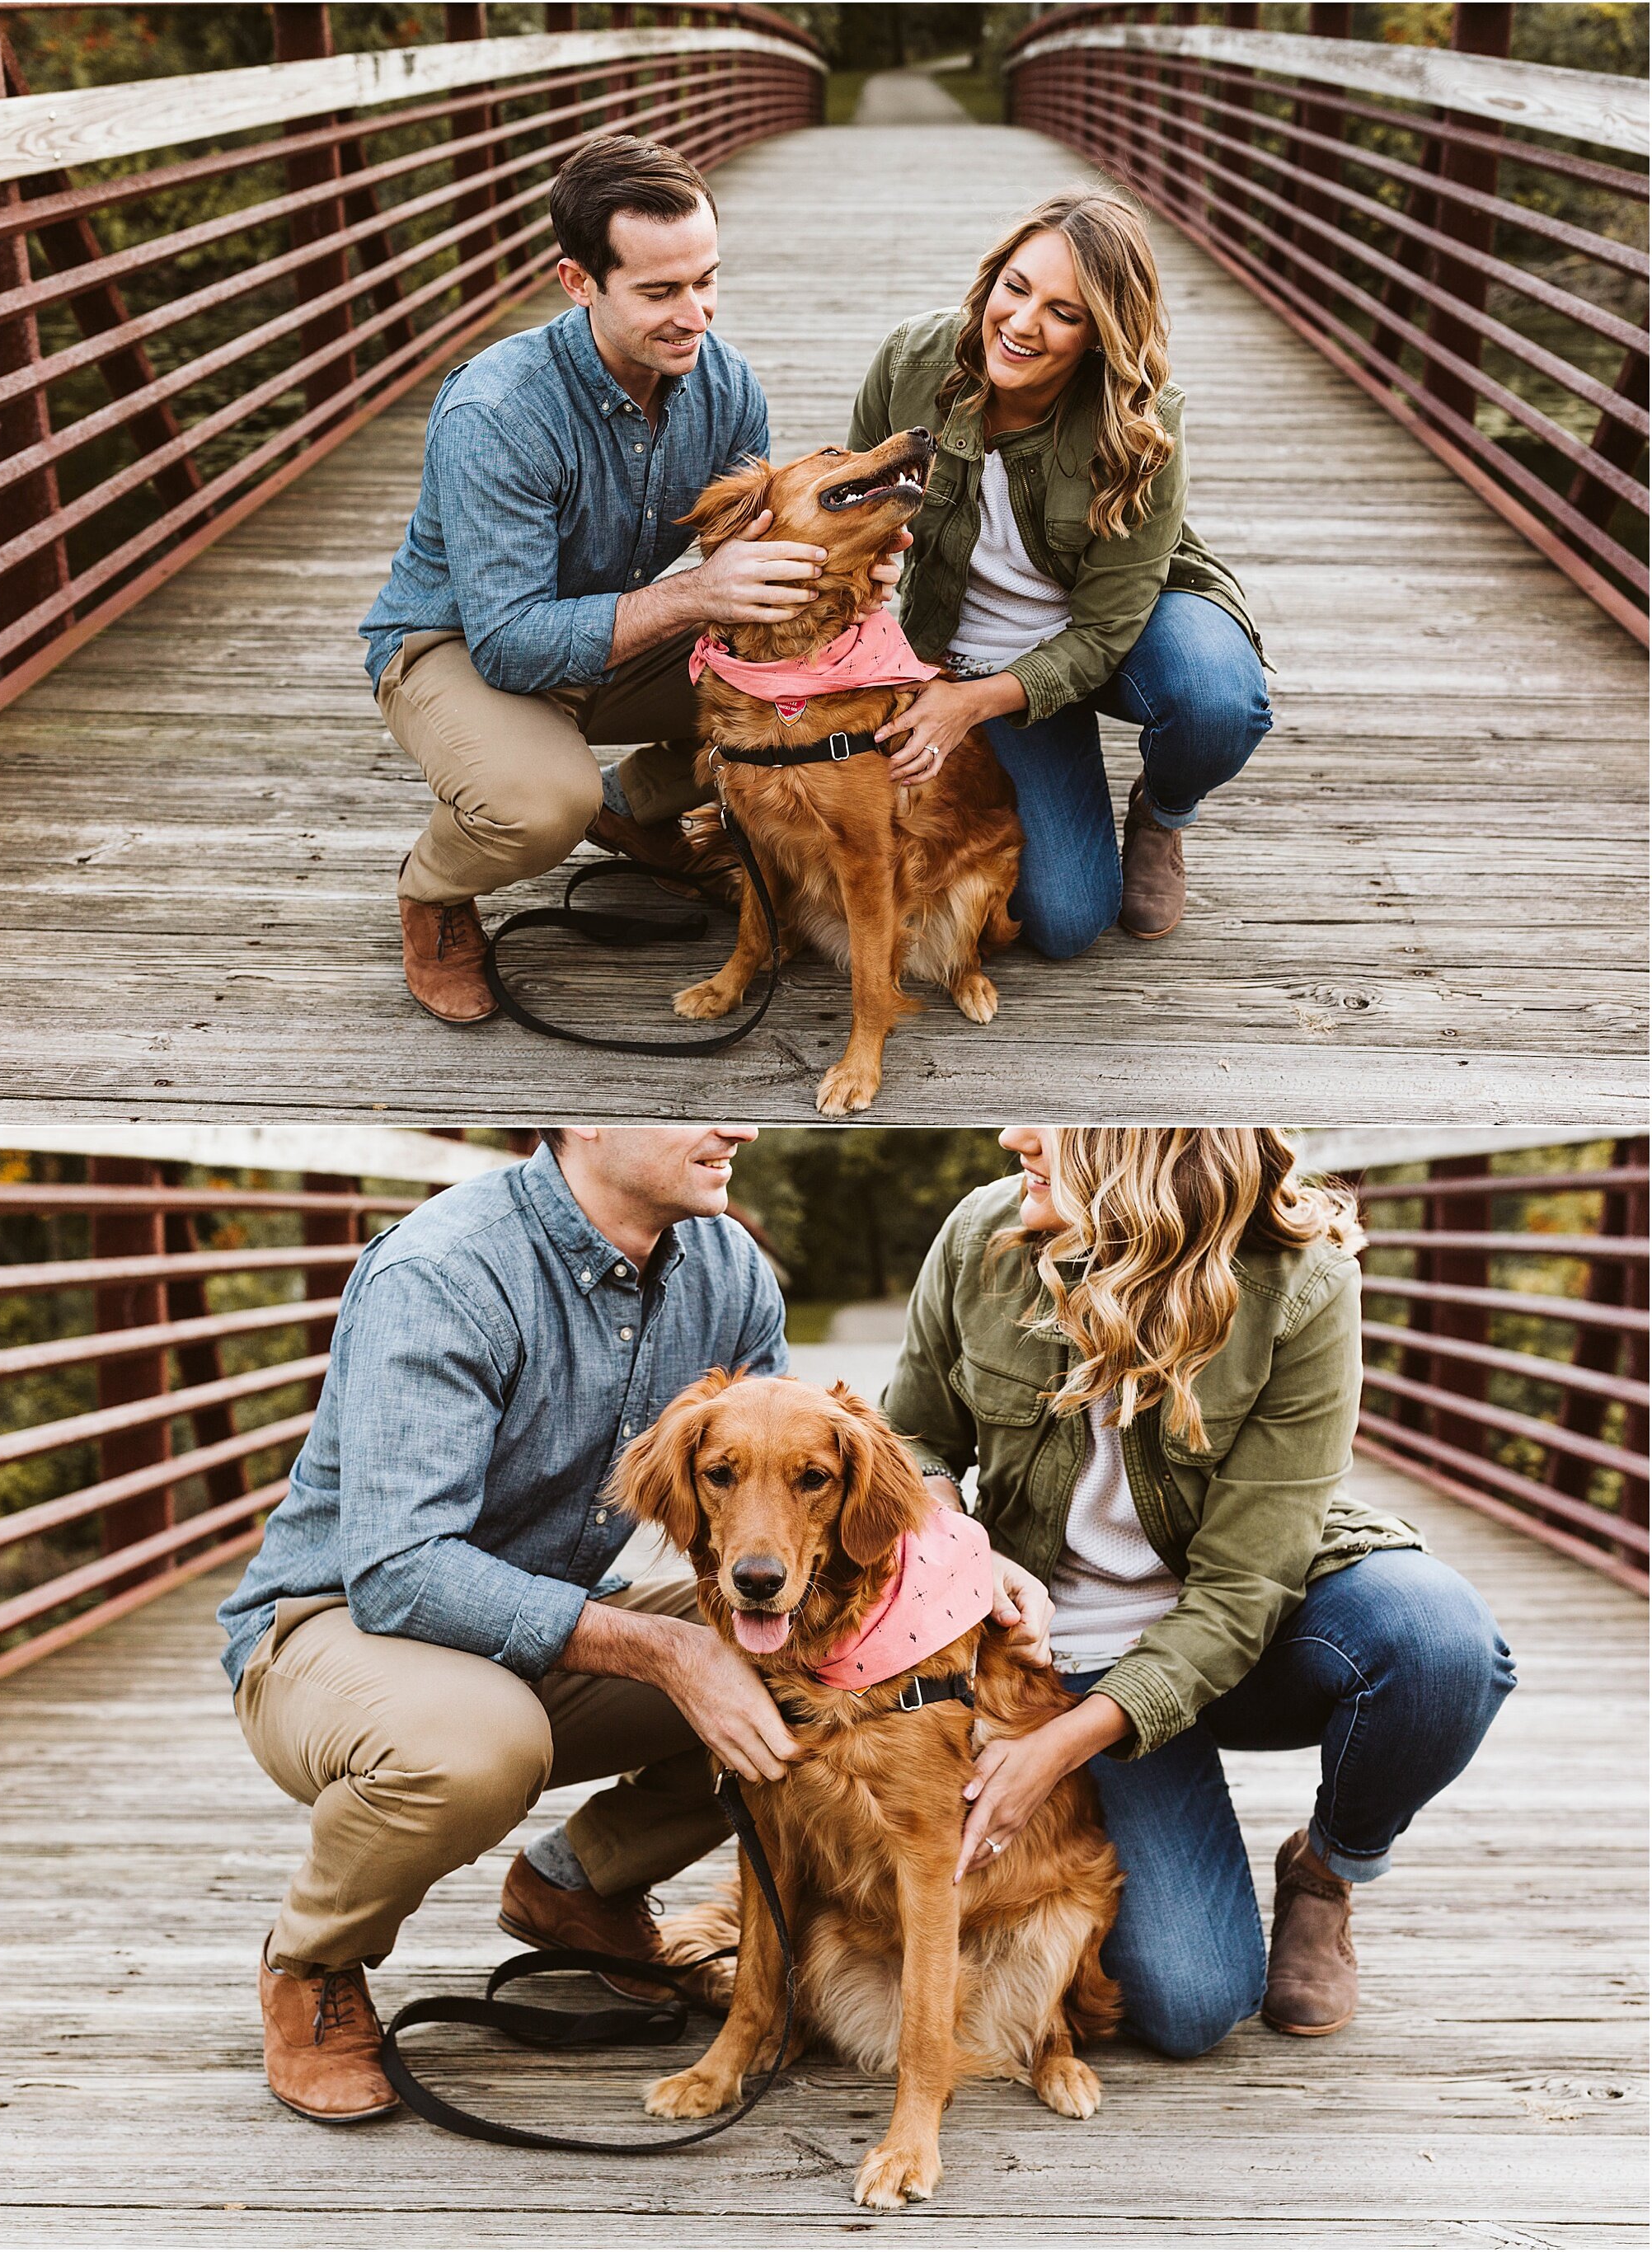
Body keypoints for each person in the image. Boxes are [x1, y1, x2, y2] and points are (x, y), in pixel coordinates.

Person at [881, 1126, 1515, 2057]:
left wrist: (1055, 1752)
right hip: (1057, 1655)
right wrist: (963, 1542)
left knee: (1436, 1644)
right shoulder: (985, 1232)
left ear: (1145, 1145)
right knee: (1190, 2005)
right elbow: (909, 1439)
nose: (1012, 1135)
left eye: (1050, 1119)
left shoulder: (1301, 1281)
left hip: (1248, 1637)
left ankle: (1325, 1870)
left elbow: (1240, 1588)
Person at [218, 1127, 798, 2123]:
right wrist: (666, 1647)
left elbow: (791, 1461)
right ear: (584, 1118)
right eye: (694, 1103)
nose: (739, 1125)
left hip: (536, 1620)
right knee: (480, 1742)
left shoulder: (728, 1265)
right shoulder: (443, 1271)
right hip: (331, 1626)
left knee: (808, 1667)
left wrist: (954, 1545)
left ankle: (578, 1884)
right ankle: (312, 1960)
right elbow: (399, 1571)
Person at [359, 134, 902, 1024]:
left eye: (706, 280)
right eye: (659, 292)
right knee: (539, 805)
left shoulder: (725, 388)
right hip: (458, 645)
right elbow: (511, 645)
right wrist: (696, 594)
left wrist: (851, 566)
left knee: (810, 676)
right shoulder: (495, 413)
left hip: (613, 635)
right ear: (579, 282)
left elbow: (756, 547)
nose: (696, 315)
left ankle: (630, 804)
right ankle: (435, 889)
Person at [848, 191, 1272, 955]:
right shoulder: (914, 360)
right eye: (1016, 288)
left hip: (1115, 627)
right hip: (971, 651)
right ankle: (1048, 743)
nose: (1021, 325)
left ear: (1101, 336)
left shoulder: (1142, 418)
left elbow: (1108, 628)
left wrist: (964, 708)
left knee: (1215, 699)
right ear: (992, 279)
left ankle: (1163, 813)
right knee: (1064, 921)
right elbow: (860, 509)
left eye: (1064, 313)